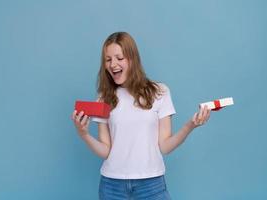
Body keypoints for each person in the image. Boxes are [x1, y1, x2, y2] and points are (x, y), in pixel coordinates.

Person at [72, 32, 211, 200]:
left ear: (132, 59)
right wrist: (84, 134)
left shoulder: (159, 92)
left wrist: (190, 125)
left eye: (119, 58)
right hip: (112, 186)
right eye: (108, 60)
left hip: (151, 185)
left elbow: (165, 146)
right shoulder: (104, 97)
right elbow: (106, 150)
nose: (113, 64)